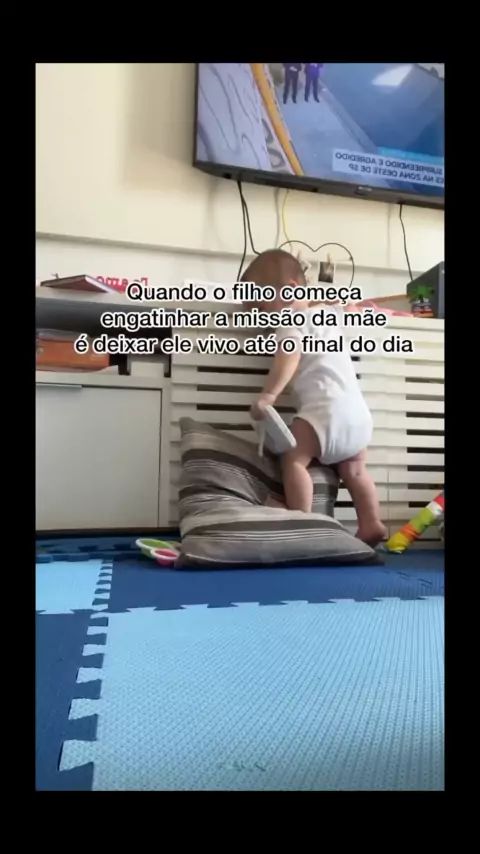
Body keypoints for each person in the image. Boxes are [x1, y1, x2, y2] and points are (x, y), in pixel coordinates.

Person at [242, 249, 387, 547]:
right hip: (358, 417)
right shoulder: (326, 314)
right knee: (355, 470)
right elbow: (348, 311)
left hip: (324, 410)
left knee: (294, 459)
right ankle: (371, 523)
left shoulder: (291, 321)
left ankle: (302, 518)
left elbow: (289, 356)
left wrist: (269, 394)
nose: (263, 318)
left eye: (262, 306)